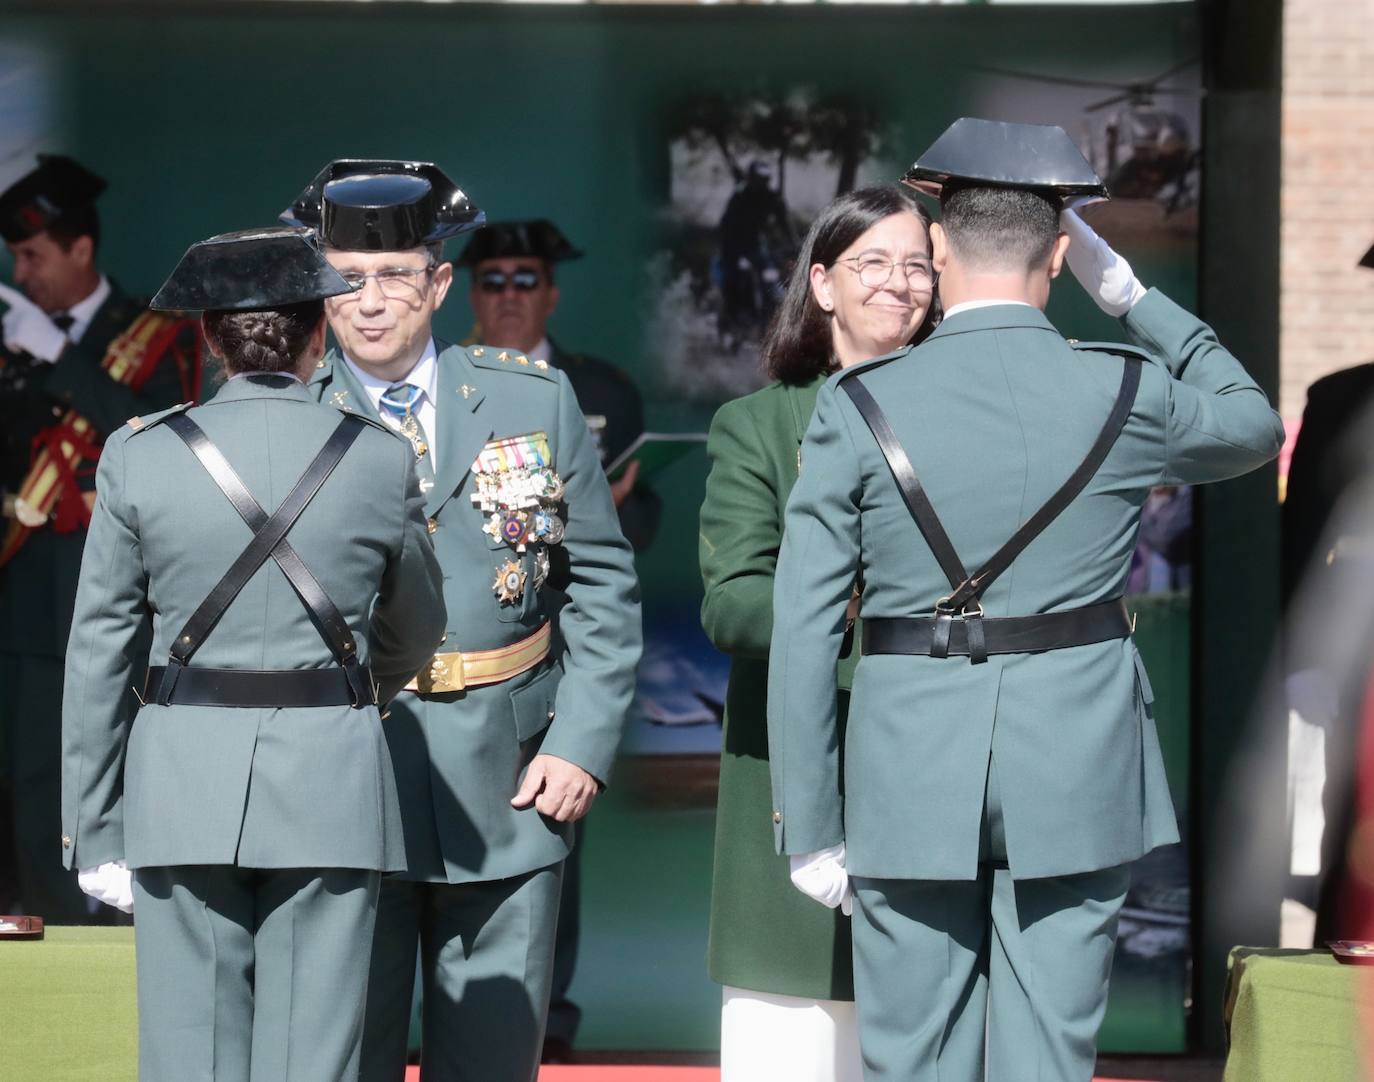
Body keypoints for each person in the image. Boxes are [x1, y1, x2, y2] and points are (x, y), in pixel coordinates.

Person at [767, 118, 1284, 1082]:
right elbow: (1254, 422)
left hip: (907, 761)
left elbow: (802, 625)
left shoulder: (862, 400)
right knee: (1049, 1058)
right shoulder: (1126, 389)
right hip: (1077, 759)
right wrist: (1129, 294)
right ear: (1058, 254)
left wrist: (810, 821)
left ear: (938, 250)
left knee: (912, 1059)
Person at [281, 160, 642, 1082]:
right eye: (345, 279)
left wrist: (583, 741)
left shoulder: (531, 397)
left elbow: (599, 580)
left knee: (489, 1062)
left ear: (439, 283)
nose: (368, 303)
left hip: (511, 774)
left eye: (395, 275)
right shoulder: (288, 414)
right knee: (339, 1055)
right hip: (348, 776)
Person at [60, 224, 445, 1082]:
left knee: (189, 1057)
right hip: (331, 782)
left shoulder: (139, 454)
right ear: (319, 331)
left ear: (208, 338)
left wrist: (93, 826)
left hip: (177, 784)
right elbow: (418, 629)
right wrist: (346, 692)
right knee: (314, 1060)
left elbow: (98, 653)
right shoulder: (380, 459)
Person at [699, 185, 937, 1082]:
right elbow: (732, 603)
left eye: (916, 264)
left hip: (937, 765)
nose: (898, 283)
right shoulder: (759, 427)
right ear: (824, 284)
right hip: (800, 772)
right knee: (790, 1047)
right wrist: (858, 604)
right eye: (871, 263)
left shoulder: (973, 418)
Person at [458, 217, 659, 1059]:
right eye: (494, 279)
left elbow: (635, 527)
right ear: (468, 293)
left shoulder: (600, 390)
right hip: (453, 650)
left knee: (547, 834)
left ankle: (550, 1027)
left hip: (561, 649)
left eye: (524, 278)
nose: (509, 294)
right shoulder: (440, 386)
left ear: (551, 291)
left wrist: (602, 510)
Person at [0, 154, 202, 923]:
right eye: (16, 258)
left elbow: (155, 437)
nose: (21, 275)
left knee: (116, 772)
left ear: (81, 250)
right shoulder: (11, 339)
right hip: (22, 601)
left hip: (115, 594)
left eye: (32, 256)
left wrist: (59, 357)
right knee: (29, 778)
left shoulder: (152, 334)